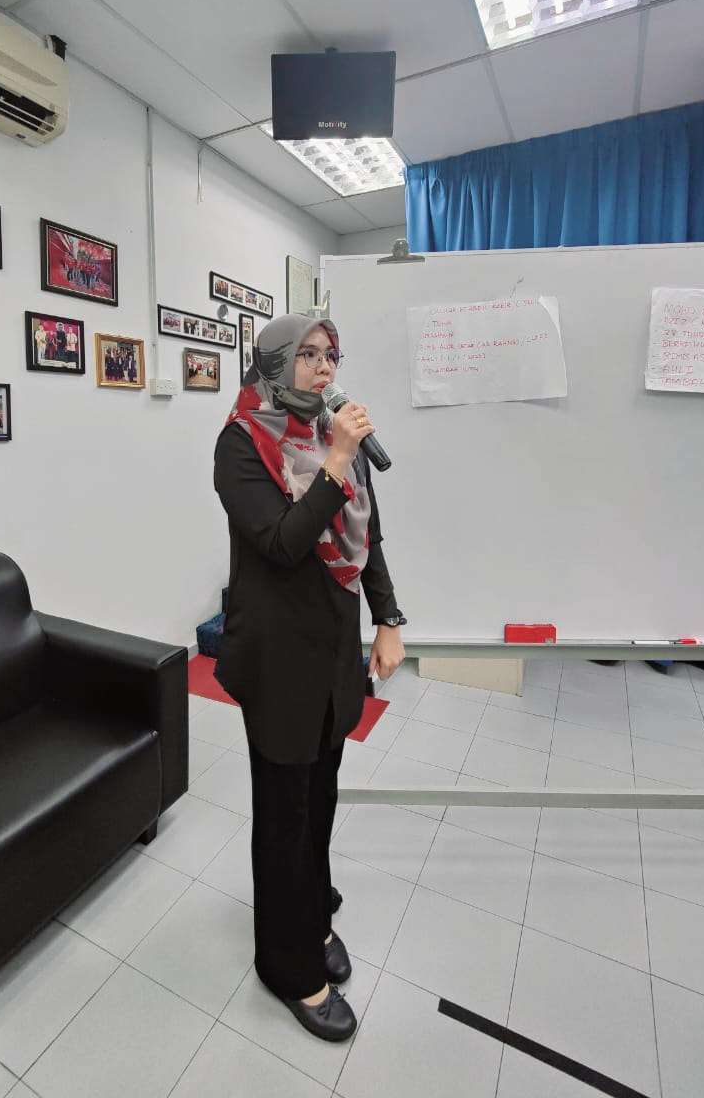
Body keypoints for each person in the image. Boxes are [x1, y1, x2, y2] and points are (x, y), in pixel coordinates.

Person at [213, 314, 406, 1044]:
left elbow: (368, 534)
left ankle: (312, 914)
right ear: (274, 363)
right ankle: (286, 965)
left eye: (333, 356)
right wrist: (338, 459)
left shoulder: (330, 434)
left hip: (331, 649)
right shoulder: (241, 444)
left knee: (318, 798)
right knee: (284, 814)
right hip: (277, 658)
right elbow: (284, 543)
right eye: (310, 355)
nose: (326, 368)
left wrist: (388, 617)